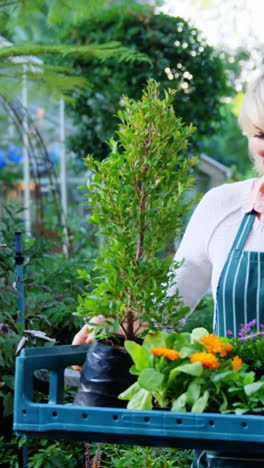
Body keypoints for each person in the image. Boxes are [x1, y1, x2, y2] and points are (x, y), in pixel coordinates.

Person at [73, 71, 264, 467]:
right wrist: (114, 325)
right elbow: (171, 300)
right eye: (262, 135)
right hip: (233, 429)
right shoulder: (223, 207)